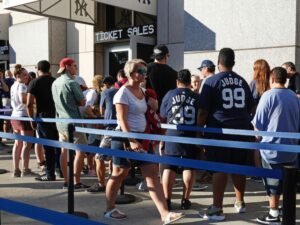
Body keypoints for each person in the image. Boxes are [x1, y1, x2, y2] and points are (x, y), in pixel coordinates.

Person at [104, 59, 183, 224]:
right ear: (132, 73)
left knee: (152, 176)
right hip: (124, 139)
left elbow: (148, 113)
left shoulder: (142, 91)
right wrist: (131, 140)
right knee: (119, 174)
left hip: (143, 138)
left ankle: (164, 214)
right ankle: (109, 209)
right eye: (141, 70)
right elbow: (122, 119)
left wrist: (154, 106)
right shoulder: (122, 93)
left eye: (145, 71)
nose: (144, 74)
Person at [198, 48, 254, 221]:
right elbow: (251, 107)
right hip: (241, 130)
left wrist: (199, 132)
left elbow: (203, 111)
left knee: (219, 168)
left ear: (218, 63)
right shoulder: (242, 81)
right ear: (234, 63)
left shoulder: (211, 81)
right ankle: (240, 202)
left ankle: (217, 208)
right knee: (238, 167)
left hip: (218, 131)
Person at [252, 67, 300, 224]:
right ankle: (286, 212)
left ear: (272, 79)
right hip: (291, 148)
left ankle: (273, 214)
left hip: (271, 149)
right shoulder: (294, 96)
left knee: (272, 184)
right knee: (287, 183)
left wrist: (257, 139)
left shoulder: (267, 96)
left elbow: (258, 124)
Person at [160, 69, 201, 210]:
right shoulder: (197, 97)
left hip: (172, 135)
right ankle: (185, 200)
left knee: (169, 168)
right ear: (190, 82)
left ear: (177, 81)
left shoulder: (170, 94)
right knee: (188, 167)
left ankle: (167, 200)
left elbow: (163, 114)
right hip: (191, 136)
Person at [51, 57, 89, 189]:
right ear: (67, 66)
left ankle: (67, 181)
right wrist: (81, 91)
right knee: (81, 151)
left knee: (64, 151)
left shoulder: (55, 82)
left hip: (60, 120)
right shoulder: (71, 83)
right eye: (74, 66)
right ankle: (76, 181)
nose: (76, 68)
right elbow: (82, 102)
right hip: (73, 121)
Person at [27, 60, 59, 181]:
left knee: (48, 147)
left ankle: (50, 174)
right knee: (58, 146)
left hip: (42, 118)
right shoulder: (55, 81)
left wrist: (32, 118)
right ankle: (59, 170)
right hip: (56, 117)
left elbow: (29, 103)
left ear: (38, 69)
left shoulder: (34, 82)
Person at [86, 75, 117, 193]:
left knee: (98, 157)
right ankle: (111, 178)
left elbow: (101, 110)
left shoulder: (106, 92)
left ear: (106, 85)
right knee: (113, 156)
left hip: (110, 128)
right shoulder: (122, 91)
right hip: (122, 128)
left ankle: (101, 183)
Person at [10, 66, 36, 177]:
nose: (27, 77)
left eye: (27, 74)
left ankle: (16, 169)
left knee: (17, 144)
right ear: (17, 76)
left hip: (14, 116)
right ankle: (25, 169)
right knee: (27, 144)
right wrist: (33, 102)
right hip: (23, 117)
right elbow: (23, 100)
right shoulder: (22, 86)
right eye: (24, 75)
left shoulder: (13, 85)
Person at [249, 59, 271, 183]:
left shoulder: (254, 83)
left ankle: (258, 172)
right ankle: (268, 170)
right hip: (270, 119)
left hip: (256, 119)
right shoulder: (271, 83)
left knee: (257, 145)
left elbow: (250, 103)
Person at [3, 70, 15, 134]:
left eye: (9, 73)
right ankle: (6, 134)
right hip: (7, 100)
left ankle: (8, 134)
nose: (8, 74)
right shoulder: (4, 81)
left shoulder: (14, 80)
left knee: (9, 118)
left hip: (11, 100)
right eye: (7, 73)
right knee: (7, 118)